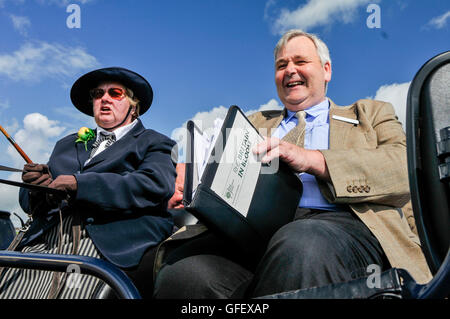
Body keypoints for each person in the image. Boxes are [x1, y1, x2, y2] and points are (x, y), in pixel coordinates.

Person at [153, 30, 432, 299]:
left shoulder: (370, 113)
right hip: (249, 235)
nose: (290, 70)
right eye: (281, 64)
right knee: (185, 274)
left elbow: (403, 169)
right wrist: (191, 172)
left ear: (326, 70)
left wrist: (314, 160)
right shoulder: (254, 122)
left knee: (301, 245)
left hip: (341, 226)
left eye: (300, 61)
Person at [0, 67, 177, 299]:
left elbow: (155, 184)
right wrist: (37, 188)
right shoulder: (67, 144)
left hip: (105, 245)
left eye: (115, 93)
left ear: (133, 106)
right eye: (97, 93)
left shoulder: (155, 142)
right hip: (45, 240)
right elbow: (31, 206)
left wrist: (80, 185)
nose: (104, 98)